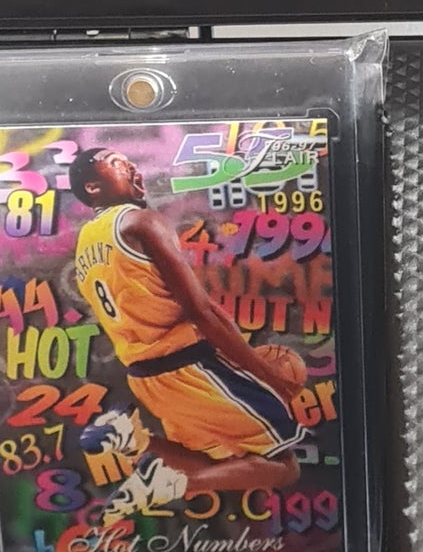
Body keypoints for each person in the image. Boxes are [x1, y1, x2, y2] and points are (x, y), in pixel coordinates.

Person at [66, 147, 307, 493]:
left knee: (214, 463)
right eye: (117, 163)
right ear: (93, 187)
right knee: (284, 466)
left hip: (146, 377)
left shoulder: (87, 240)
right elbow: (201, 311)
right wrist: (266, 375)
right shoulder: (141, 221)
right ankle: (172, 483)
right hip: (190, 366)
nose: (131, 166)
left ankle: (132, 439)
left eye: (129, 161)